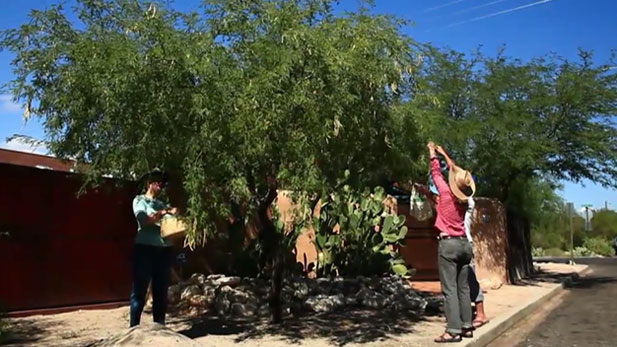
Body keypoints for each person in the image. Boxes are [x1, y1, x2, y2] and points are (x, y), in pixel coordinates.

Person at [427, 142, 476, 343]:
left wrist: (432, 154)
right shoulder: (466, 201)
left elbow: (436, 173)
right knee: (463, 288)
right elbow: (454, 171)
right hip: (465, 245)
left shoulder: (446, 195)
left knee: (450, 290)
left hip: (449, 245)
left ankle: (453, 330)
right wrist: (444, 153)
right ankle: (467, 326)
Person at [130, 170, 178, 327]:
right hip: (145, 248)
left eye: (162, 183)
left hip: (163, 250)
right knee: (140, 291)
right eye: (157, 182)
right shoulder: (139, 201)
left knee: (161, 290)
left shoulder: (161, 204)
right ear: (149, 183)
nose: (160, 185)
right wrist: (164, 212)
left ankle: (160, 328)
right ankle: (134, 329)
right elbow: (144, 220)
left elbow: (171, 226)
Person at [463, 196, 490, 329]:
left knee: (470, 279)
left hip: (465, 243)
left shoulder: (468, 202)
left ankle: (481, 314)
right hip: (457, 243)